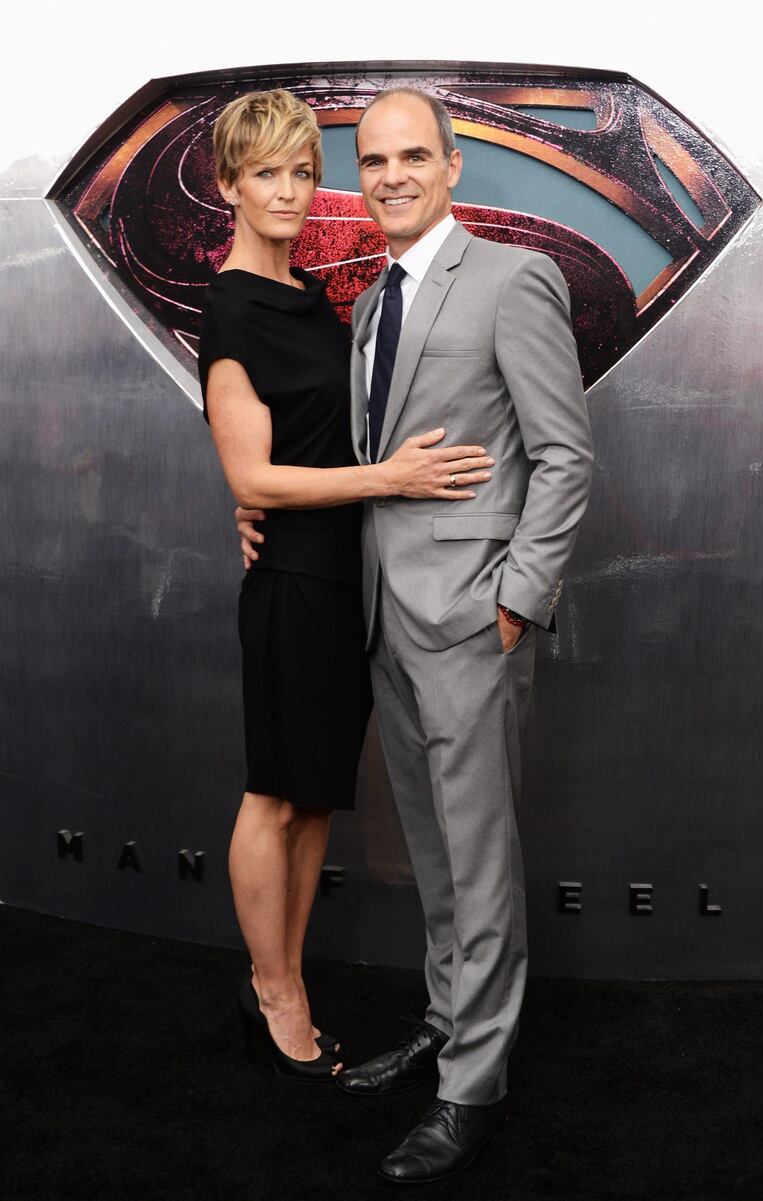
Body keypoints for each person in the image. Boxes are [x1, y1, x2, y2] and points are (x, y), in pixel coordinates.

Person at [237, 85, 593, 1177]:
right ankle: (445, 1022)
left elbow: (563, 455)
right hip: (385, 615)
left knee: (480, 861)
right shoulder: (368, 297)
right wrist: (255, 500)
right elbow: (363, 453)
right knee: (433, 854)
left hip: (472, 618)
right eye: (374, 160)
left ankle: (471, 1086)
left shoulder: (509, 279)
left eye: (411, 157)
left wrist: (517, 597)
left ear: (451, 168)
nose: (390, 176)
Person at [197, 90, 496, 1084]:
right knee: (272, 795)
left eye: (299, 171)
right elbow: (250, 477)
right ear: (227, 186)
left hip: (344, 579)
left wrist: (334, 490)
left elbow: (304, 441)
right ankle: (273, 986)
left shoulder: (311, 297)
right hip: (291, 582)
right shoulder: (233, 306)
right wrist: (386, 479)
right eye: (265, 174)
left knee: (316, 798)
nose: (287, 190)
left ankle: (285, 977)